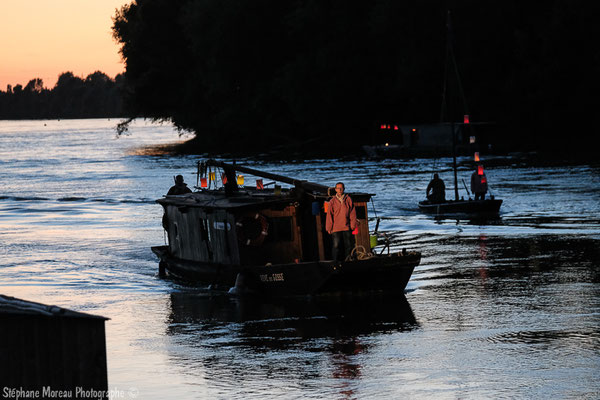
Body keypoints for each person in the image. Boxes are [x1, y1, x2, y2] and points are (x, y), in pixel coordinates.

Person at [326, 182, 358, 261]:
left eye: (341, 188)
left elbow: (352, 214)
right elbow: (329, 216)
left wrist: (353, 225)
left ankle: (348, 261)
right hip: (335, 228)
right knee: (336, 246)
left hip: (346, 227)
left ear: (344, 189)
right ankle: (335, 262)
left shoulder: (348, 199)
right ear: (335, 189)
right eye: (338, 188)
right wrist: (329, 228)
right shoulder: (332, 201)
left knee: (349, 246)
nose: (340, 190)